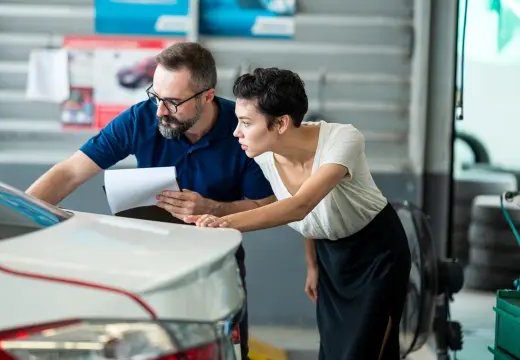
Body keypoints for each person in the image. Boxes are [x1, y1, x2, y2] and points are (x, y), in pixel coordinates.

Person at [25, 42, 276, 359]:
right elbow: (71, 172)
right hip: (150, 259)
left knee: (227, 351)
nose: (159, 111)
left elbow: (265, 206)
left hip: (215, 264)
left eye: (172, 102)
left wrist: (213, 209)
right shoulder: (141, 118)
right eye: (155, 96)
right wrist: (15, 215)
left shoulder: (242, 129)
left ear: (207, 96)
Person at [185, 68, 412, 360]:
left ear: (280, 123)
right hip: (331, 257)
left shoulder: (342, 140)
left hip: (377, 253)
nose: (235, 132)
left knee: (364, 351)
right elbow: (308, 217)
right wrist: (313, 264)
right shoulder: (265, 155)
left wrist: (224, 223)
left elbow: (301, 204)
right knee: (333, 350)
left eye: (245, 123)